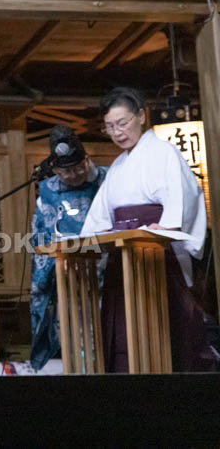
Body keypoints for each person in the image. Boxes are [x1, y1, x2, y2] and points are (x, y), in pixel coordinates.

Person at [81, 87, 216, 372]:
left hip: (156, 255)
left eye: (122, 123)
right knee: (124, 334)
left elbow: (181, 197)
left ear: (141, 116)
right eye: (109, 127)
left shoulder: (163, 152)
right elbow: (100, 216)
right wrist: (92, 238)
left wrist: (165, 227)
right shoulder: (117, 166)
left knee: (164, 331)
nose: (117, 132)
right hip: (124, 257)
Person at [30, 125, 106, 371]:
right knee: (75, 335)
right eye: (65, 171)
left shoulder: (107, 180)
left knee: (107, 333)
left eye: (78, 168)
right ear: (53, 169)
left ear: (87, 159)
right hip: (67, 274)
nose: (73, 175)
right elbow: (40, 235)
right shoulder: (46, 192)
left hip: (107, 270)